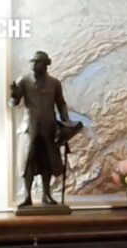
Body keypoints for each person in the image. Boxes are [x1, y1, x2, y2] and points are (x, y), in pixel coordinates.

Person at [10, 50, 78, 207]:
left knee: (47, 161)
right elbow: (14, 103)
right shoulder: (24, 81)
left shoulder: (54, 83)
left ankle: (46, 194)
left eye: (37, 62)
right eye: (32, 61)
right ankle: (27, 196)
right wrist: (14, 95)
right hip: (30, 128)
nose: (34, 64)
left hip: (48, 128)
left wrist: (66, 121)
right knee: (28, 162)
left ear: (46, 64)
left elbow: (61, 103)